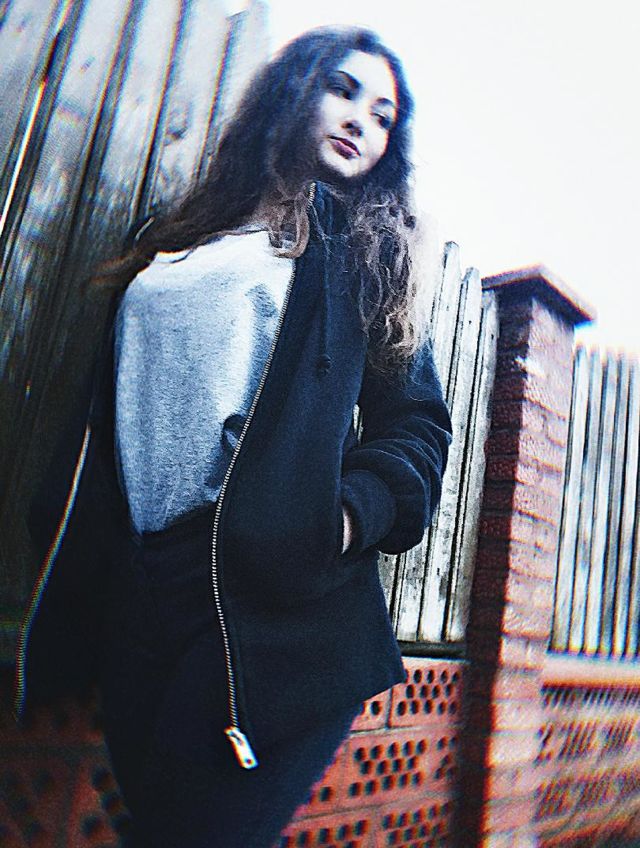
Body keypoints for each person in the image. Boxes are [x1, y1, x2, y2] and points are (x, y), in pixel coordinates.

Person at [15, 25, 453, 848]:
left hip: (275, 610)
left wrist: (344, 518)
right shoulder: (178, 233)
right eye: (344, 89)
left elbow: (417, 427)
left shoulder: (366, 255)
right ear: (293, 90)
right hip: (141, 596)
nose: (361, 120)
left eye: (383, 115)